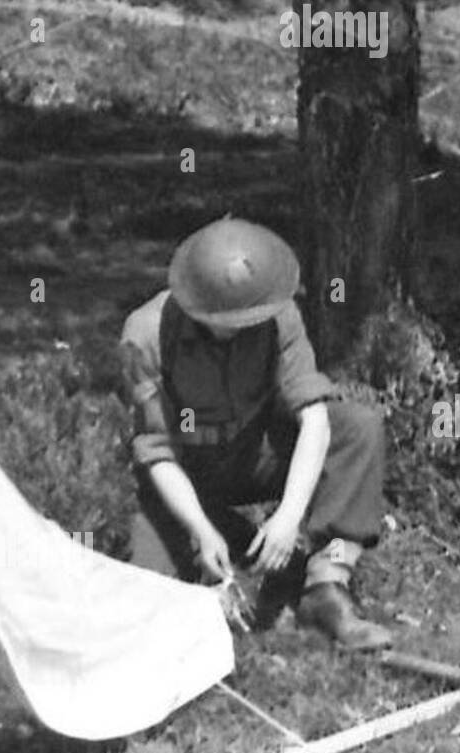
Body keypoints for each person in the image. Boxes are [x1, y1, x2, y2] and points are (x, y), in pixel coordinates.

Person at [119, 216, 392, 651]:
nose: (244, 325)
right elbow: (158, 453)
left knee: (358, 429)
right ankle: (221, 543)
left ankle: (327, 588)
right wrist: (201, 530)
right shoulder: (146, 333)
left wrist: (287, 518)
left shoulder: (278, 313)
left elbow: (315, 421)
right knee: (151, 597)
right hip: (187, 473)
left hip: (256, 452)